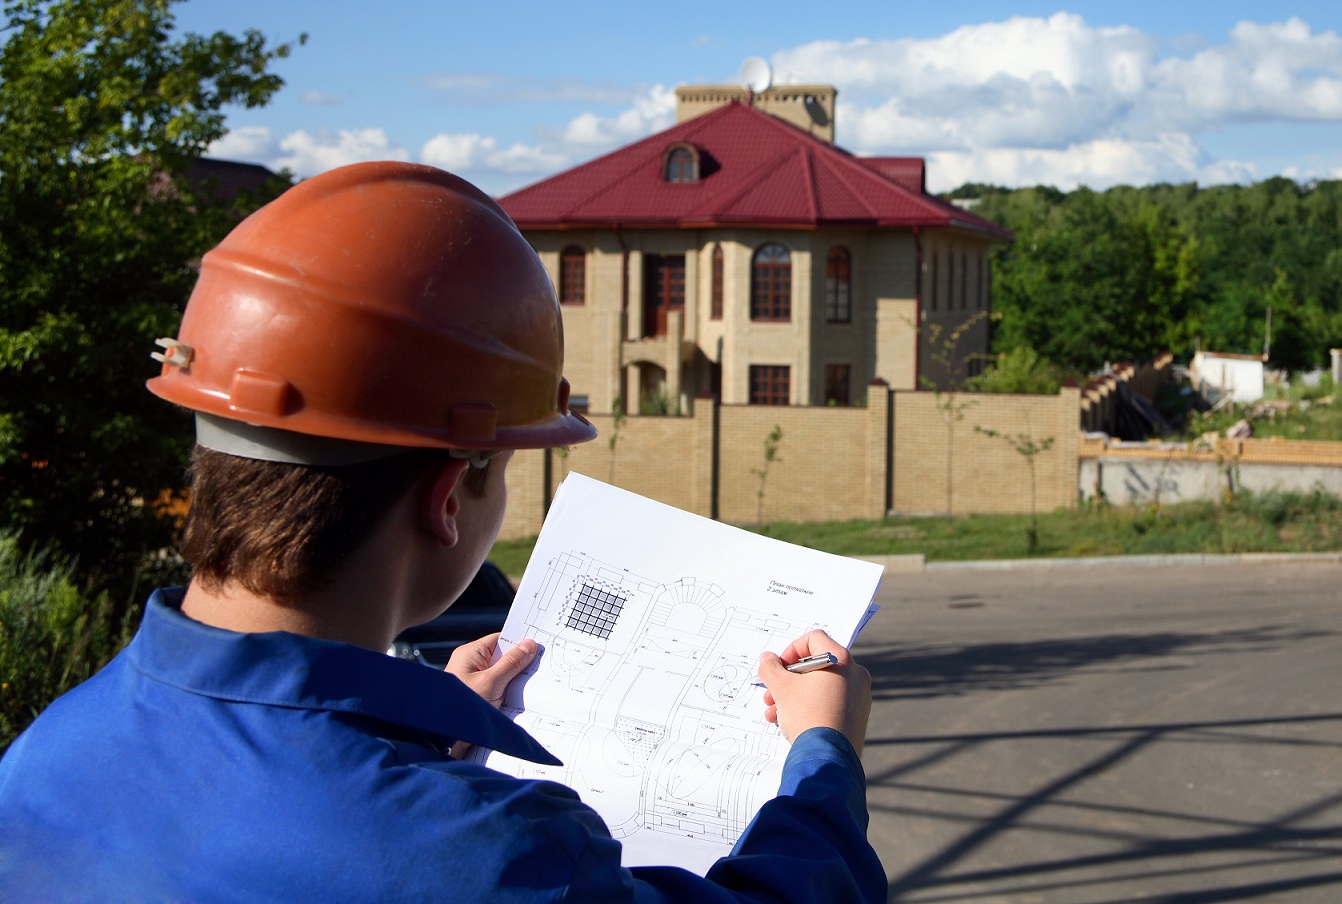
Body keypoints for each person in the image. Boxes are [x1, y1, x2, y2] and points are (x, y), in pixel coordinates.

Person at [0, 162, 885, 903]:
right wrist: (822, 757)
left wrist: (415, 739)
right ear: (448, 495)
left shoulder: (43, 755)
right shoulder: (490, 854)